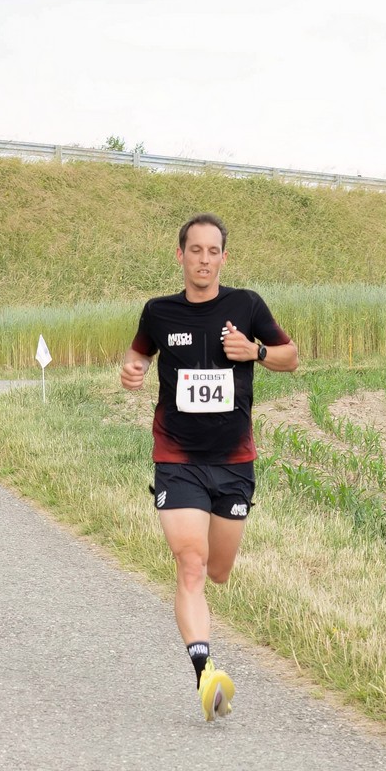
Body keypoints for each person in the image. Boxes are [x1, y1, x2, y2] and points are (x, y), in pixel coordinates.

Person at [120, 214, 299, 718]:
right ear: (180, 255)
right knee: (191, 562)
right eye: (194, 250)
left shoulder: (247, 305)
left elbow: (291, 357)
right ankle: (206, 673)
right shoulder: (158, 312)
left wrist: (255, 351)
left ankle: (206, 664)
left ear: (223, 257)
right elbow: (137, 355)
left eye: (212, 251)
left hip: (234, 461)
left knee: (218, 570)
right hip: (177, 458)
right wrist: (132, 371)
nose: (203, 259)